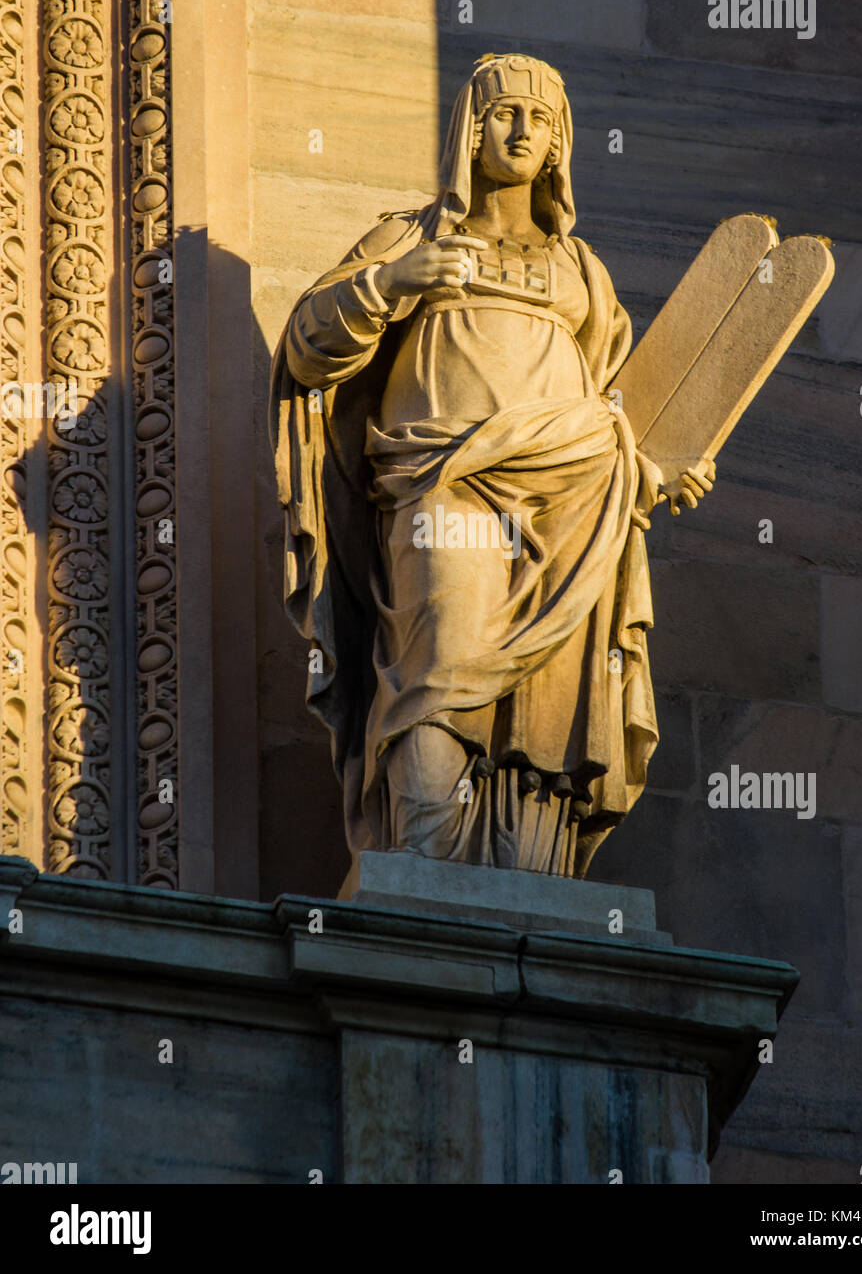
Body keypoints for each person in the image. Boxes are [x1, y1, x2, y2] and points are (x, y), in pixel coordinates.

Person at [269, 53, 714, 878]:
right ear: (469, 132)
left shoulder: (582, 270)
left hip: (573, 497)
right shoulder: (410, 236)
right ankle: (423, 867)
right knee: (440, 659)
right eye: (502, 114)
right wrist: (391, 283)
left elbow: (612, 410)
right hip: (440, 482)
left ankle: (521, 874)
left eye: (538, 120)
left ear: (558, 146)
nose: (519, 131)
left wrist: (650, 474)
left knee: (544, 701)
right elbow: (306, 348)